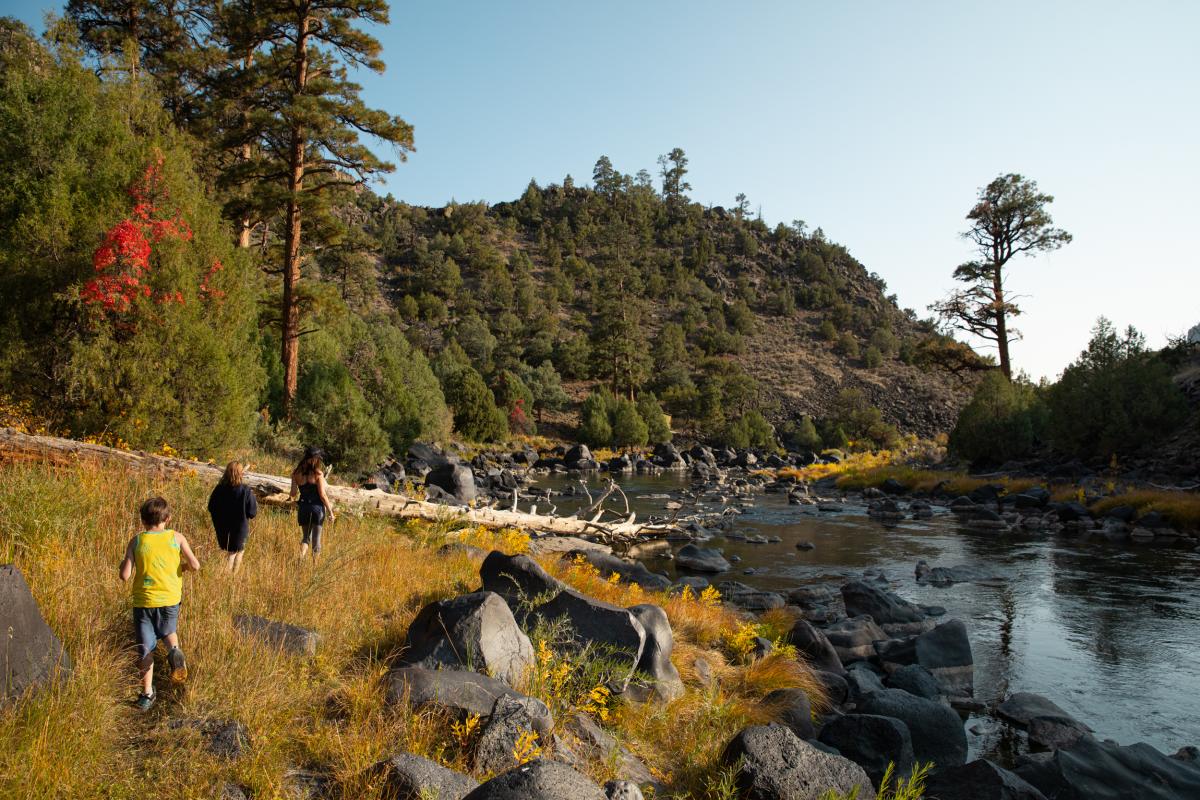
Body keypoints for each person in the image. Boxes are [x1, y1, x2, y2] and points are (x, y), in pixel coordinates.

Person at [119, 496, 200, 710]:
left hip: (144, 601)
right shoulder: (176, 537)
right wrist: (183, 568)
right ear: (168, 518)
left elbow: (125, 576)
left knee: (145, 649)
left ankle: (147, 695)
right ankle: (174, 651)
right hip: (170, 598)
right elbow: (195, 565)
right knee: (168, 630)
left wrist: (124, 563)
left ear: (143, 520)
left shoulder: (136, 541)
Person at [208, 461, 258, 573]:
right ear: (241, 474)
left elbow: (211, 507)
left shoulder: (219, 489)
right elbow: (252, 512)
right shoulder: (245, 490)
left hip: (222, 528)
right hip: (239, 528)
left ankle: (229, 577)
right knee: (236, 552)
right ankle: (231, 577)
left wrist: (219, 518)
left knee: (231, 551)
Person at [289, 446, 335, 560]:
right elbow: (322, 495)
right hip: (317, 509)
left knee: (305, 538)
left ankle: (301, 556)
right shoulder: (318, 474)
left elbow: (293, 493)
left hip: (303, 508)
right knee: (316, 540)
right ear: (316, 459)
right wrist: (330, 512)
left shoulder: (296, 473)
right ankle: (314, 568)